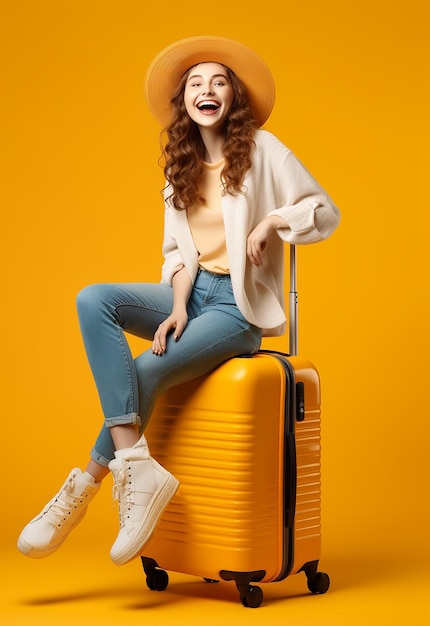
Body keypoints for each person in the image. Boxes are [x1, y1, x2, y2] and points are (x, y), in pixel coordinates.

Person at [17, 35, 340, 567]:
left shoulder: (265, 150)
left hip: (238, 310)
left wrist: (271, 221)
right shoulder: (180, 167)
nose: (206, 91)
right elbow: (176, 253)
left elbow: (323, 210)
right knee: (93, 299)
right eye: (195, 83)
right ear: (184, 100)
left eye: (218, 82)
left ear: (233, 96)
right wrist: (178, 307)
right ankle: (135, 464)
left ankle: (81, 492)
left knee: (145, 370)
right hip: (195, 296)